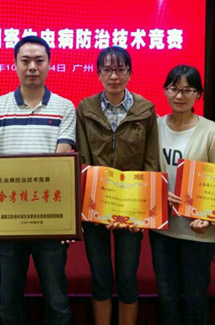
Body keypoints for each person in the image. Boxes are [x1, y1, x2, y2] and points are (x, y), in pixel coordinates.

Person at [0, 36, 76, 325]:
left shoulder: (64, 107)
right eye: (25, 60)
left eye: (39, 60)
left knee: (57, 299)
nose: (32, 66)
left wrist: (66, 218)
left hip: (49, 218)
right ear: (15, 64)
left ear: (49, 64)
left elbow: (62, 159)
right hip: (7, 218)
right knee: (8, 300)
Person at [76, 46, 160, 325]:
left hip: (132, 208)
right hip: (96, 207)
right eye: (107, 70)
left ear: (129, 73)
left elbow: (150, 161)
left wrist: (141, 211)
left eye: (120, 69)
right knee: (100, 277)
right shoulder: (85, 108)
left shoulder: (145, 109)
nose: (114, 76)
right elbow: (84, 159)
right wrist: (96, 207)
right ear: (98, 74)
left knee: (127, 277)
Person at [149, 65, 215, 325]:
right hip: (162, 229)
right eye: (174, 88)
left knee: (195, 297)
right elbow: (145, 170)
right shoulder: (154, 126)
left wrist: (208, 217)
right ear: (165, 91)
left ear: (198, 94)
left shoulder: (212, 130)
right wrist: (156, 192)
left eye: (188, 90)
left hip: (197, 230)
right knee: (167, 296)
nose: (179, 96)